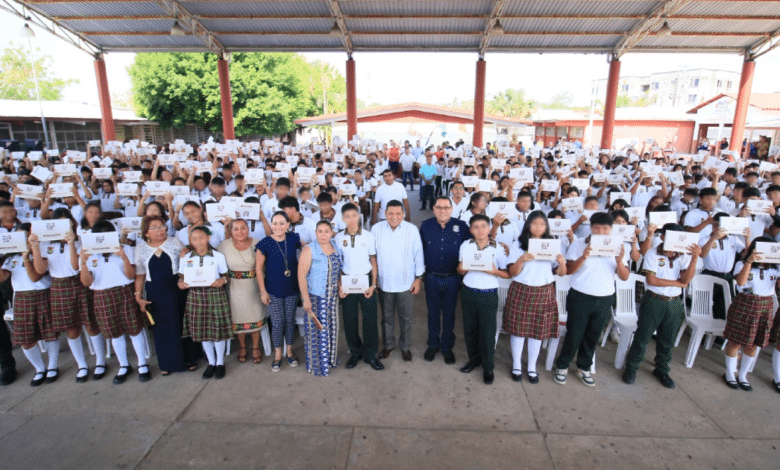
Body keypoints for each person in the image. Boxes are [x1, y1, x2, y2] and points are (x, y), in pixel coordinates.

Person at [29, 209, 106, 383]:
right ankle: (82, 365)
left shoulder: (80, 242)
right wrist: (34, 246)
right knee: (71, 327)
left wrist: (71, 243)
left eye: (67, 223)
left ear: (72, 224)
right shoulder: (45, 244)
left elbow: (75, 267)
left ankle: (100, 361)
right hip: (59, 285)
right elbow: (41, 270)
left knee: (92, 324)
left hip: (79, 282)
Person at [554, 212, 630, 388]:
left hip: (605, 297)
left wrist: (619, 261)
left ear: (611, 230)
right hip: (580, 295)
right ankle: (563, 365)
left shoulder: (617, 246)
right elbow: (569, 270)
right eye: (597, 228)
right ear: (591, 227)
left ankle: (584, 367)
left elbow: (624, 276)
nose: (601, 232)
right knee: (574, 333)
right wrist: (584, 256)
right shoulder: (579, 244)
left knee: (593, 335)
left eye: (605, 228)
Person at [623, 223, 701, 389]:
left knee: (668, 339)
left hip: (673, 302)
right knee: (643, 336)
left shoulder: (684, 256)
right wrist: (677, 283)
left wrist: (694, 259)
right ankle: (631, 367)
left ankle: (662, 369)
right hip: (653, 300)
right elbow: (651, 280)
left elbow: (686, 280)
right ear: (663, 237)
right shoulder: (652, 253)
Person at [80, 219, 150, 384]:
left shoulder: (125, 249)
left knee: (135, 329)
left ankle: (142, 364)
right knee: (114, 332)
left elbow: (131, 275)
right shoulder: (89, 254)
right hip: (102, 294)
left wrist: (124, 257)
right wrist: (83, 262)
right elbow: (87, 282)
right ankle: (124, 365)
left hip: (124, 291)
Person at [504, 211, 567, 384]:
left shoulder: (552, 243)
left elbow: (561, 273)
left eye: (542, 223)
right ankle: (517, 364)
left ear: (546, 226)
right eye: (534, 223)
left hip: (543, 291)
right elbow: (511, 272)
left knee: (537, 332)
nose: (538, 227)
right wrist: (521, 260)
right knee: (518, 330)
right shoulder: (519, 244)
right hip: (522, 289)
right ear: (528, 225)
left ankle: (531, 367)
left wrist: (562, 263)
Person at [134, 215, 198, 375]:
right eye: (154, 227)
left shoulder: (175, 242)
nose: (160, 230)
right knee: (162, 327)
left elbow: (188, 263)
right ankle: (167, 363)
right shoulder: (141, 248)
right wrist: (138, 296)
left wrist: (186, 253)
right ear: (146, 232)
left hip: (176, 288)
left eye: (162, 226)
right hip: (156, 292)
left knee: (182, 323)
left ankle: (189, 358)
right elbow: (140, 274)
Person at [0, 224, 56, 387]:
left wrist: (29, 253)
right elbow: (2, 277)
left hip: (42, 293)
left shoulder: (41, 252)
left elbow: (35, 276)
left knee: (50, 333)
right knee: (25, 339)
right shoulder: (10, 257)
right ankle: (39, 368)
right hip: (22, 298)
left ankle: (52, 366)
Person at [457, 214, 510, 385]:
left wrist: (494, 272)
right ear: (471, 230)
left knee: (487, 331)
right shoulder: (466, 245)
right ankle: (474, 359)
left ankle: (488, 366)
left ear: (489, 228)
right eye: (476, 227)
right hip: (468, 291)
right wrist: (462, 267)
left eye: (483, 226)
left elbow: (507, 273)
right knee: (470, 328)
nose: (480, 230)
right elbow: (459, 270)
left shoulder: (498, 248)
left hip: (488, 294)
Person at [722, 238, 777, 391]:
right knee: (735, 341)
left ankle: (743, 375)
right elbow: (740, 282)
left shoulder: (775, 268)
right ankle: (730, 374)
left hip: (765, 305)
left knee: (754, 344)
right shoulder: (742, 263)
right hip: (745, 302)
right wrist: (749, 262)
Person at [419, 196, 470, 364]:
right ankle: (433, 344)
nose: (442, 210)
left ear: (451, 209)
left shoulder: (462, 227)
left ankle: (447, 346)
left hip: (453, 279)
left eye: (446, 207)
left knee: (449, 314)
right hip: (432, 277)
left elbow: (474, 245)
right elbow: (419, 251)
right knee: (433, 313)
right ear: (433, 209)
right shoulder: (426, 226)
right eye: (439, 207)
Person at [372, 200, 424, 363]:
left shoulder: (411, 229)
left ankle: (405, 347)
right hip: (384, 283)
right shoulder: (376, 229)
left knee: (406, 317)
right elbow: (371, 256)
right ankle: (388, 345)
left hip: (406, 283)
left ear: (403, 214)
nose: (394, 217)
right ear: (385, 214)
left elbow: (418, 254)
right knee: (386, 317)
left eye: (398, 213)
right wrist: (374, 281)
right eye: (390, 213)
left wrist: (418, 279)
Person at [178, 226, 232, 380]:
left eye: (201, 237)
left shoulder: (218, 256)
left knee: (217, 331)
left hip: (215, 295)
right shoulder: (187, 257)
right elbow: (180, 278)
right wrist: (181, 284)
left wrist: (222, 280)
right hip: (196, 297)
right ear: (191, 241)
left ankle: (220, 363)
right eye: (194, 239)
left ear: (208, 238)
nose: (198, 241)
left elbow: (226, 276)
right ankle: (211, 363)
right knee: (203, 333)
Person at [334, 203, 383, 370]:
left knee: (370, 319)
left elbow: (373, 262)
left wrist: (373, 284)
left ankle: (370, 354)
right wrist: (340, 284)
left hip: (366, 280)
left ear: (359, 217)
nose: (351, 219)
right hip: (348, 281)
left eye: (354, 216)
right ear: (343, 219)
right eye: (347, 216)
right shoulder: (338, 238)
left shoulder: (368, 236)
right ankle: (355, 351)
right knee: (350, 319)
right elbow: (338, 264)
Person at [256, 211, 301, 372]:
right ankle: (277, 354)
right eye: (275, 223)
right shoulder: (265, 243)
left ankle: (289, 351)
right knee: (277, 323)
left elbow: (309, 248)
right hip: (273, 290)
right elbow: (258, 269)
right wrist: (263, 291)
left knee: (289, 321)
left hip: (292, 288)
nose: (278, 226)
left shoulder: (293, 238)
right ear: (271, 225)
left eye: (282, 223)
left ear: (288, 225)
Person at [218, 219, 266, 364]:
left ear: (248, 229)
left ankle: (256, 347)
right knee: (237, 317)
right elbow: (211, 258)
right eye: (236, 229)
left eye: (243, 228)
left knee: (255, 314)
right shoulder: (223, 245)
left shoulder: (258, 243)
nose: (240, 232)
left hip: (254, 286)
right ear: (230, 231)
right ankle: (242, 346)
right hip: (233, 287)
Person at [298, 220, 342, 377]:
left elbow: (337, 270)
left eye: (326, 231)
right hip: (316, 296)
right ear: (315, 233)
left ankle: (330, 360)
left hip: (332, 297)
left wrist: (340, 285)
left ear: (331, 233)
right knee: (318, 330)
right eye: (320, 231)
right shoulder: (309, 250)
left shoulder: (335, 247)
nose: (323, 235)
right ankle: (318, 365)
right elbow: (301, 276)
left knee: (332, 328)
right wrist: (306, 299)